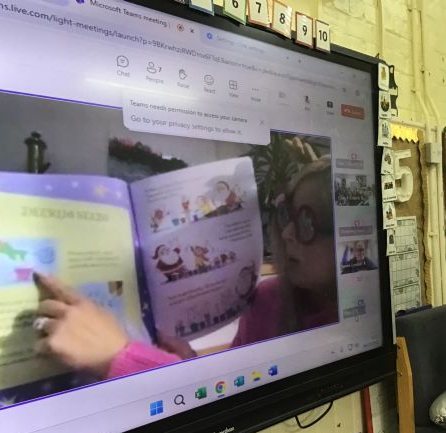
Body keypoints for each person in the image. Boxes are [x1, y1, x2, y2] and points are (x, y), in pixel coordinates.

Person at [33, 137, 339, 378]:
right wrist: (188, 362)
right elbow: (233, 387)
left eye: (308, 223)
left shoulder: (346, 329)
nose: (287, 233)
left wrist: (115, 354)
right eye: (287, 215)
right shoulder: (268, 300)